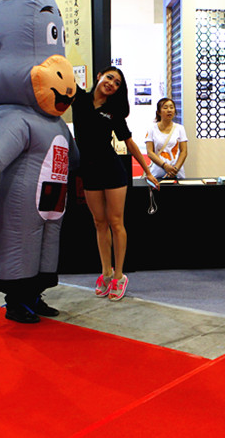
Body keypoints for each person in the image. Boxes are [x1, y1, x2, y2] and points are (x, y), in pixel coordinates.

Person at [71, 66, 159, 301]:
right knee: (99, 223)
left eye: (117, 83)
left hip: (112, 170)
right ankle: (106, 272)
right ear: (99, 76)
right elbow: (61, 74)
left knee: (116, 222)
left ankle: (119, 276)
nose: (112, 83)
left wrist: (147, 170)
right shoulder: (79, 99)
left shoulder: (114, 111)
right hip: (88, 171)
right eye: (110, 77)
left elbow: (129, 143)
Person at [145, 97, 188, 179]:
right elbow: (150, 152)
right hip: (158, 172)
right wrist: (164, 165)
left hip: (177, 173)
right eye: (165, 108)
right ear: (158, 112)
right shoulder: (152, 129)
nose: (169, 110)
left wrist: (175, 169)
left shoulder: (180, 128)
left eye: (171, 107)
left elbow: (184, 152)